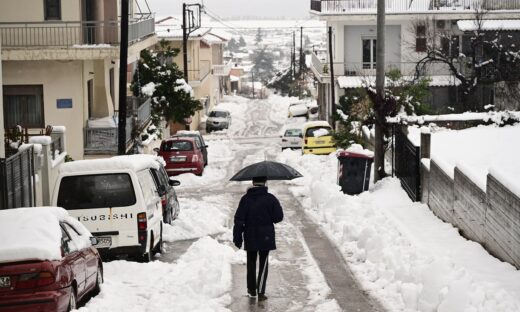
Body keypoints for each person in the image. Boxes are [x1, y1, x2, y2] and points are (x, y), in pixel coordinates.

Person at [233, 176, 284, 301]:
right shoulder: (271, 199)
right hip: (266, 237)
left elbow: (239, 220)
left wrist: (237, 237)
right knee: (263, 263)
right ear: (265, 183)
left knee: (251, 263)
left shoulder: (245, 199)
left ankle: (252, 290)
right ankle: (261, 292)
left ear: (253, 183)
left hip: (250, 235)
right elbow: (278, 217)